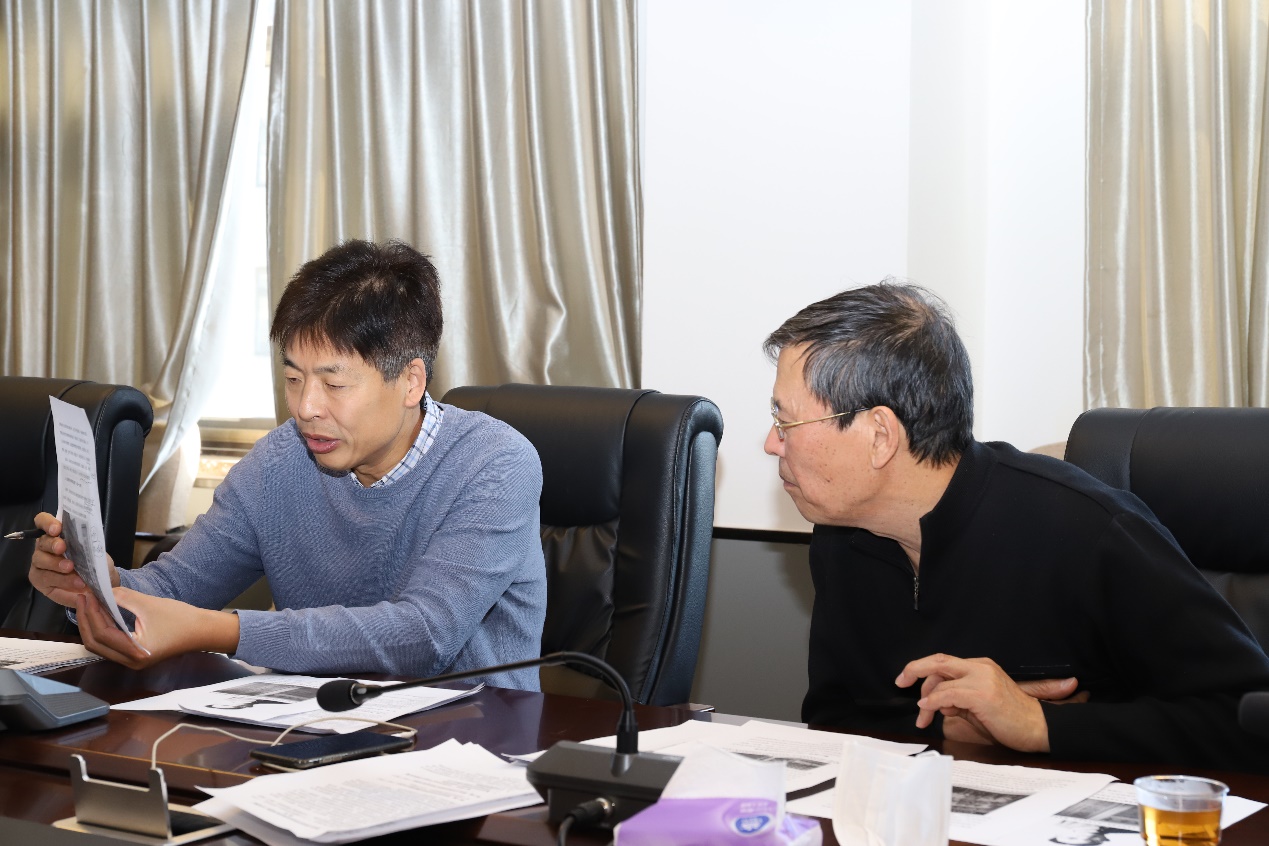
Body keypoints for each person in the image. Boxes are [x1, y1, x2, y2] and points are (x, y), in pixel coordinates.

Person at [763, 279, 1269, 771]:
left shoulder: (1088, 530)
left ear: (880, 435)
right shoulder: (842, 536)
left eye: (786, 423)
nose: (770, 443)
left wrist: (1039, 725)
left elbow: (1247, 720)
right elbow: (835, 721)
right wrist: (952, 727)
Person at [29, 239, 547, 690]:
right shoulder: (279, 462)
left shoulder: (496, 464)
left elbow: (423, 635)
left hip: (477, 740)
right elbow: (173, 591)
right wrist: (96, 586)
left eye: (334, 384)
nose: (305, 408)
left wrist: (224, 631)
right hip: (313, 729)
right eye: (294, 379)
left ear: (411, 381)